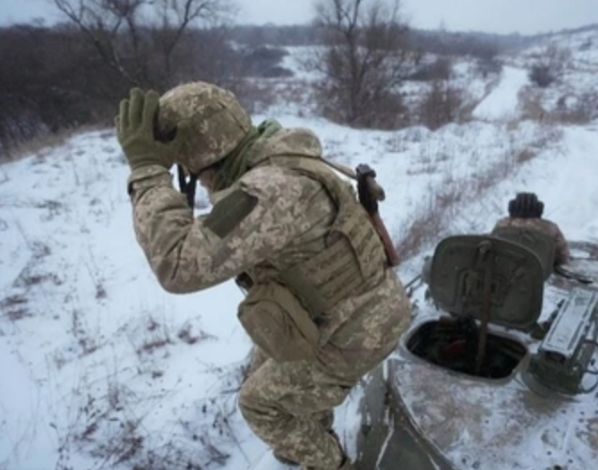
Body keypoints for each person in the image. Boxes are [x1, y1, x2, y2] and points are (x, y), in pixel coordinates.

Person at [115, 82, 412, 470]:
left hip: (360, 327)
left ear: (206, 158)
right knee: (269, 365)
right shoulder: (276, 155)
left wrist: (148, 173)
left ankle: (334, 465)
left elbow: (178, 266)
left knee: (260, 406)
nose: (201, 185)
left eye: (196, 176)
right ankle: (310, 432)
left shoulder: (269, 191)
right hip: (352, 309)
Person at [492, 192, 570, 267]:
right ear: (539, 209)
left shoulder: (502, 225)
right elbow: (563, 256)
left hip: (505, 273)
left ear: (511, 208)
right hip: (538, 275)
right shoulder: (550, 228)